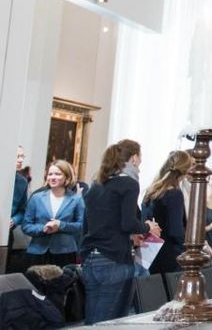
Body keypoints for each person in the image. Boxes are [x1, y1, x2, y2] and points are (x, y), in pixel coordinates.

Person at [81, 139, 161, 325]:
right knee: (110, 322)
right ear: (134, 158)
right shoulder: (129, 184)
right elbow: (128, 223)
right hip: (114, 258)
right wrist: (148, 227)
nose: (140, 162)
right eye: (140, 158)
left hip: (91, 257)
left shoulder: (96, 184)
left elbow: (90, 223)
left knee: (91, 319)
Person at [21, 160, 85, 268]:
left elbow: (81, 225)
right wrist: (43, 228)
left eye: (58, 174)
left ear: (67, 177)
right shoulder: (37, 197)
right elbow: (26, 226)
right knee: (34, 284)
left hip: (65, 252)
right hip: (38, 251)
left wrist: (60, 225)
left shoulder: (76, 199)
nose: (53, 177)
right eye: (50, 174)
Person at [142, 150, 192, 274]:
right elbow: (175, 230)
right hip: (170, 254)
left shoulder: (152, 190)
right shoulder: (174, 194)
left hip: (149, 250)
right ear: (185, 171)